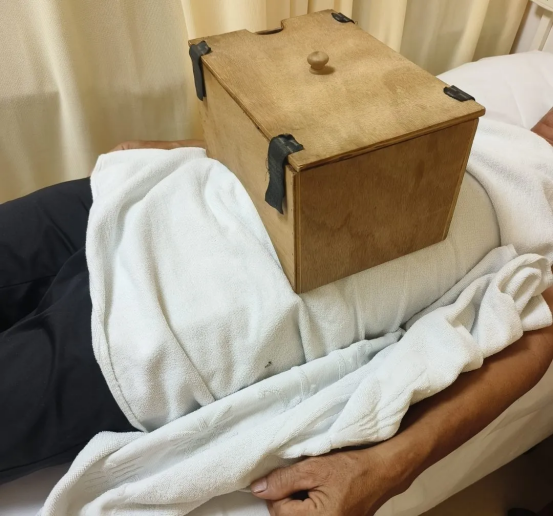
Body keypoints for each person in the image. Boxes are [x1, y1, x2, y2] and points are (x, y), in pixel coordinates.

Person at [0, 108, 551, 513]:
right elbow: (316, 137)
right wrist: (186, 147)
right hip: (145, 199)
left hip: (180, 323)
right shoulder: (474, 113)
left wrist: (384, 469)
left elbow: (535, 342)